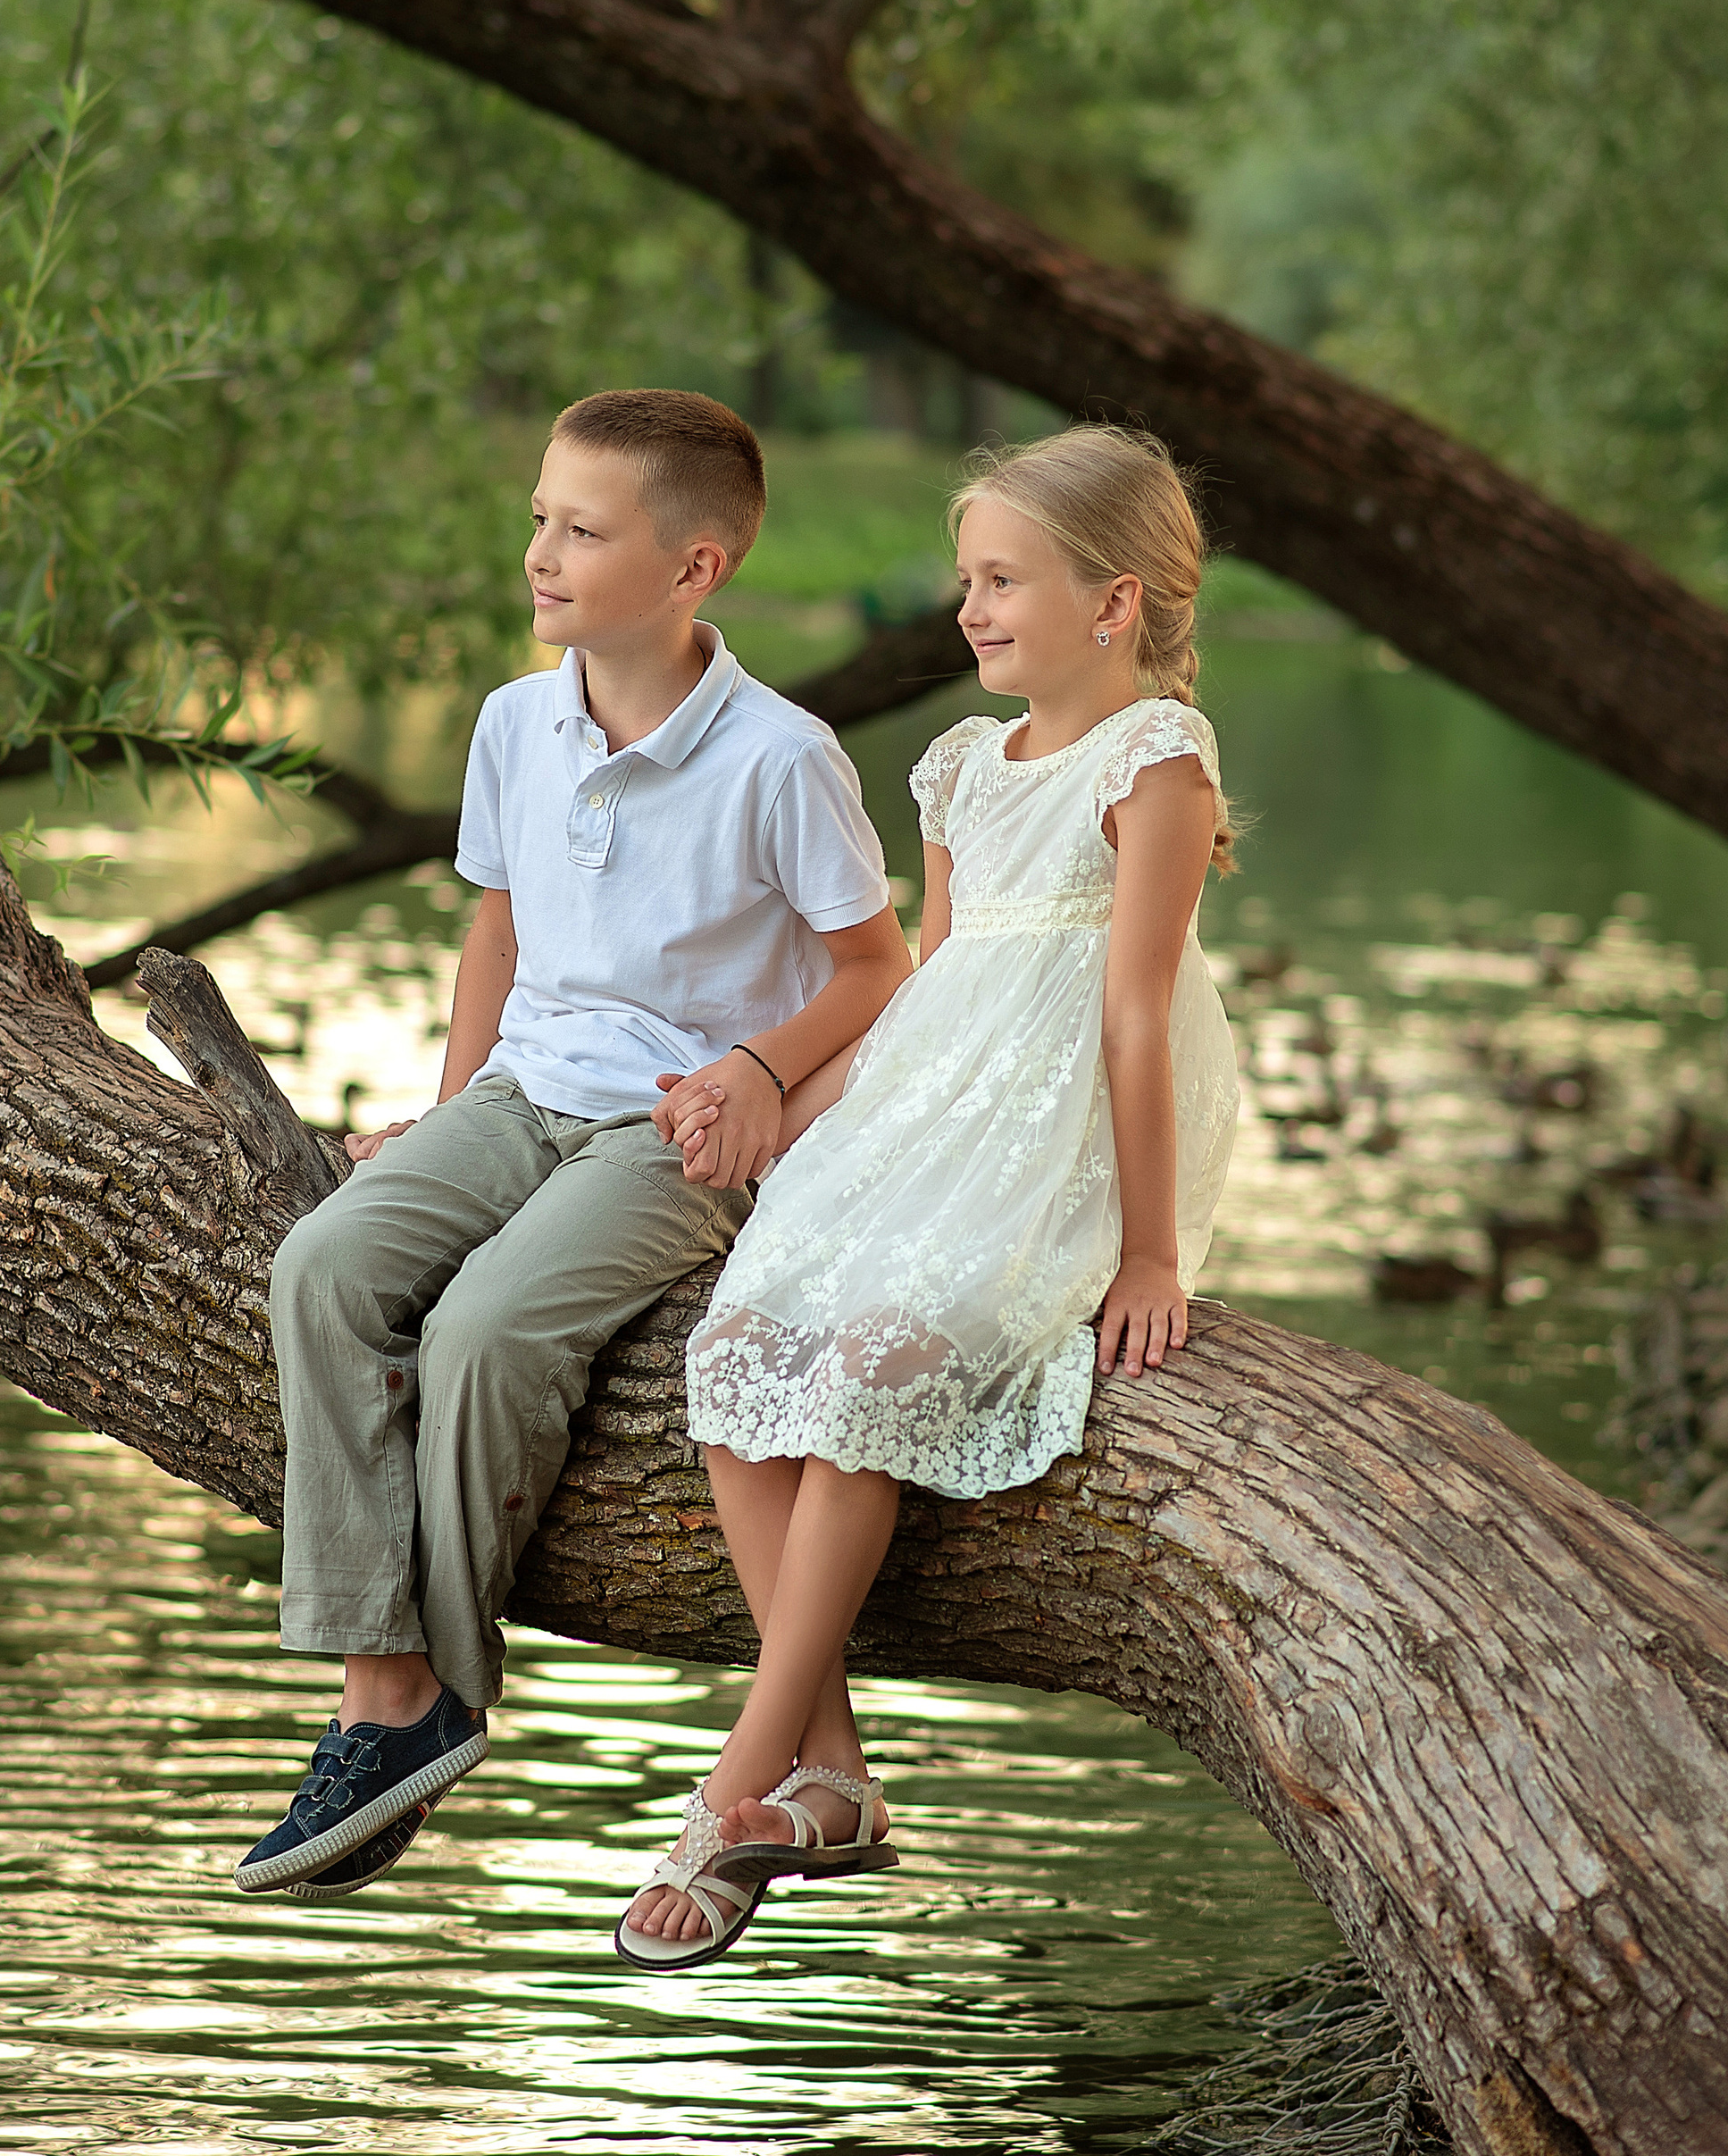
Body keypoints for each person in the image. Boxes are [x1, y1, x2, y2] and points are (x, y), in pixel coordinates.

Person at [235, 389, 915, 1900]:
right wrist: (452, 1092)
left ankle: (434, 1700)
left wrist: (754, 1065)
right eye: (541, 515)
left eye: (582, 529)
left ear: (694, 569)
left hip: (671, 1132)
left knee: (485, 1329)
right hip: (516, 1096)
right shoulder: (514, 719)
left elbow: (878, 970)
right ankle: (383, 1680)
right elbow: (499, 919)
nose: (540, 551)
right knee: (325, 1268)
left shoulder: (780, 757)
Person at [616, 423, 1240, 1970]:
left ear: (1114, 602)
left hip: (1066, 1125)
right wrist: (782, 1102)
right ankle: (832, 1776)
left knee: (874, 1372)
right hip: (938, 1103)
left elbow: (1137, 1014)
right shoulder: (962, 766)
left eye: (1003, 579)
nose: (969, 608)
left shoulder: (1153, 762)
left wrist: (1151, 1248)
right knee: (738, 1370)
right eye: (966, 577)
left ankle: (730, 1786)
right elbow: (930, 988)